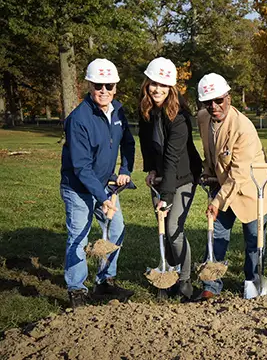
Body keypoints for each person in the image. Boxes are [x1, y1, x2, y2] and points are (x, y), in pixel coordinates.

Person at [60, 58, 135, 308]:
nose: (104, 90)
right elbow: (81, 166)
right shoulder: (79, 119)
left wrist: (124, 169)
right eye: (98, 85)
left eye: (109, 85)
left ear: (115, 87)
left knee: (116, 230)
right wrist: (102, 198)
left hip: (104, 182)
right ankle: (77, 289)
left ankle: (105, 281)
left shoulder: (118, 111)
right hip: (78, 186)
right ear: (89, 86)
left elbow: (128, 143)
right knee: (79, 236)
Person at [195, 73, 267, 300]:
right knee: (216, 236)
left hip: (251, 190)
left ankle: (252, 282)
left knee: (254, 241)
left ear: (228, 98)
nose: (214, 106)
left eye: (218, 100)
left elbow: (239, 174)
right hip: (222, 185)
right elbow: (210, 153)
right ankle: (211, 284)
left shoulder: (243, 128)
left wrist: (217, 201)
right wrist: (208, 173)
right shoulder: (203, 118)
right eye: (208, 102)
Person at [138, 57, 203, 300]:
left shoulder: (180, 117)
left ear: (171, 88)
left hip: (183, 175)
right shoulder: (146, 109)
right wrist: (151, 170)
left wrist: (165, 196)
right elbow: (147, 144)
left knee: (174, 228)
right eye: (154, 83)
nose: (157, 89)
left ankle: (185, 281)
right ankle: (169, 275)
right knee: (163, 229)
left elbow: (172, 157)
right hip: (161, 176)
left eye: (163, 85)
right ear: (147, 84)